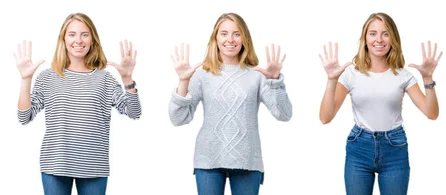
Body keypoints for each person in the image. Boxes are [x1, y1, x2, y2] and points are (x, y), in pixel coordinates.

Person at [15, 12, 141, 195]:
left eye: (85, 34)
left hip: (93, 166)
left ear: (92, 40)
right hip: (55, 165)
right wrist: (26, 79)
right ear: (63, 39)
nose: (78, 40)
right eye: (72, 34)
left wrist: (128, 79)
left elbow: (134, 112)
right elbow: (24, 117)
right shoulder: (48, 77)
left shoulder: (105, 79)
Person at [167, 12, 293, 195]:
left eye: (236, 33)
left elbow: (284, 114)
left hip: (247, 160)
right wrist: (183, 82)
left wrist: (275, 81)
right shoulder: (202, 74)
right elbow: (178, 118)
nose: (230, 40)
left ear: (244, 38)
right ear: (215, 38)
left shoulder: (257, 74)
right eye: (224, 33)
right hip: (208, 159)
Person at [318, 12, 442, 195]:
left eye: (385, 33)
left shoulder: (403, 75)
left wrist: (428, 79)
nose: (379, 40)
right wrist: (331, 80)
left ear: (393, 39)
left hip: (394, 149)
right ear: (365, 38)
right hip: (359, 147)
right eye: (373, 33)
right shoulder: (350, 74)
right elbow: (325, 117)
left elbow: (431, 113)